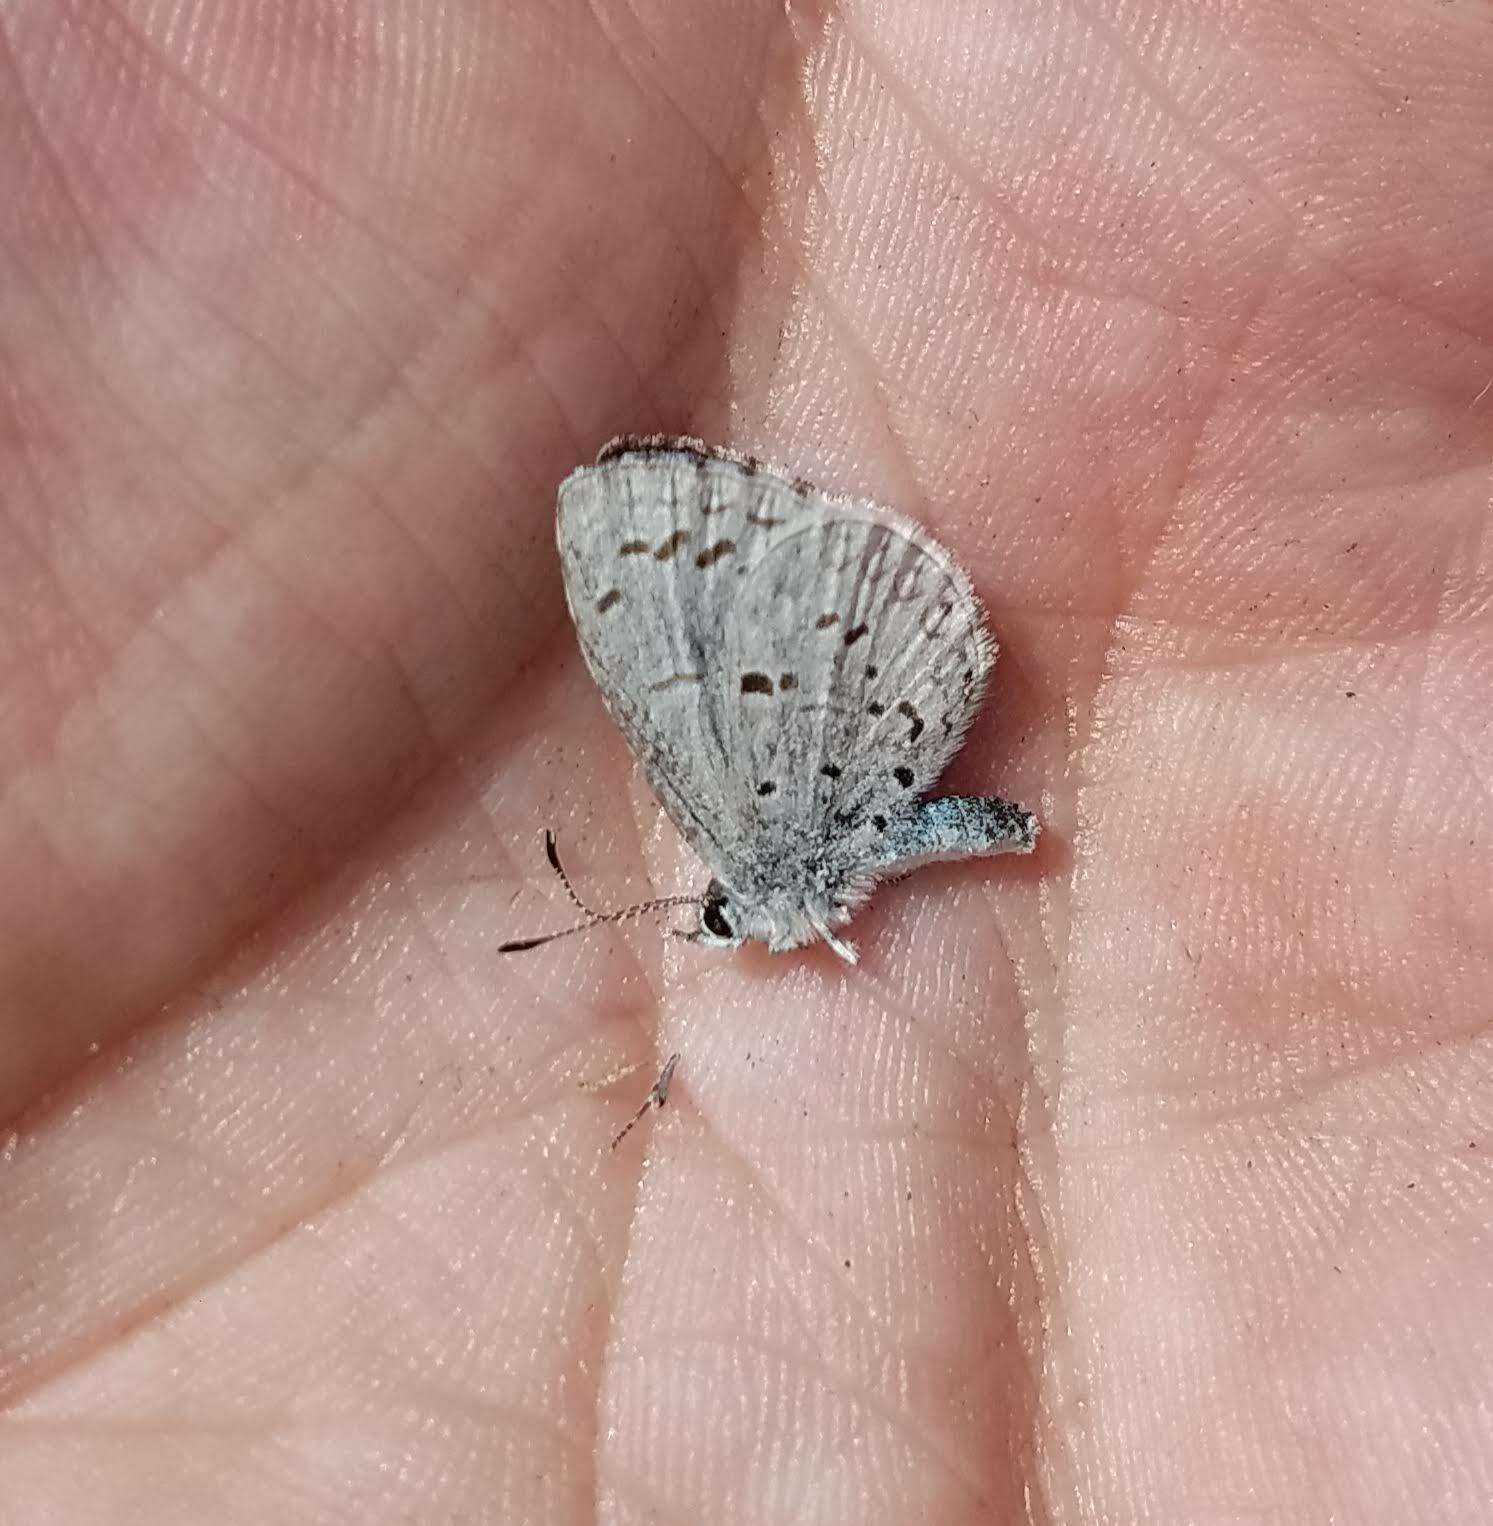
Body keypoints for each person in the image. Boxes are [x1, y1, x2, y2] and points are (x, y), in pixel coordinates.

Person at [1, 5, 1489, 1519]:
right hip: (884, 741)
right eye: (707, 924)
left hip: (868, 716)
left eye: (711, 922)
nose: (711, 929)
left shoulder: (740, 839)